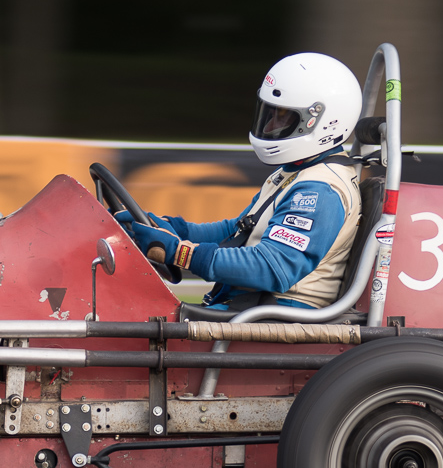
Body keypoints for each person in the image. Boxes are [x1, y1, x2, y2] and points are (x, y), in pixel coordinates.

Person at [120, 52, 364, 310]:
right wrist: (176, 229)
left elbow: (271, 268)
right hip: (252, 308)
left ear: (321, 122)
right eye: (271, 114)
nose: (271, 124)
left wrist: (179, 253)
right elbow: (237, 231)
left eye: (283, 116)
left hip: (277, 319)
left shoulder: (319, 190)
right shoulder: (296, 172)